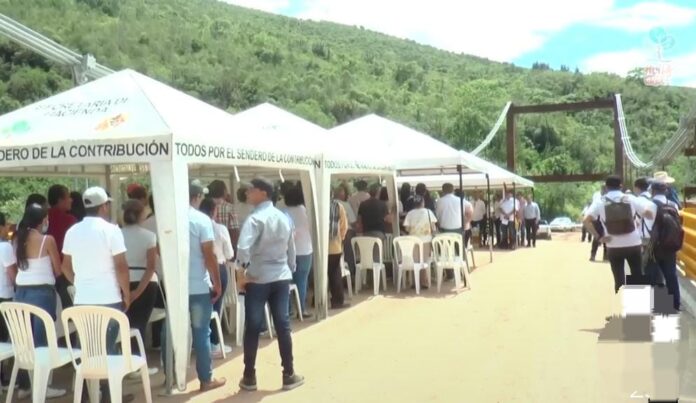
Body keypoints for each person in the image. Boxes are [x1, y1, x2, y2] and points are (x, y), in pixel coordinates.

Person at [61, 187, 133, 401]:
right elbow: (121, 266)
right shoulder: (111, 230)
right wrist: (127, 293)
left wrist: (80, 282)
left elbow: (65, 266)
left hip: (82, 300)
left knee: (85, 349)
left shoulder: (72, 231)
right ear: (103, 206)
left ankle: (84, 396)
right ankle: (110, 396)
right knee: (109, 350)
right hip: (108, 298)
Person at [237, 178, 304, 392]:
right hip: (281, 276)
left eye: (251, 190)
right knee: (283, 326)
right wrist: (290, 268)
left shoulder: (254, 218)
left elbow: (243, 248)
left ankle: (249, 376)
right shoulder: (284, 217)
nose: (247, 194)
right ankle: (289, 374)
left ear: (263, 193)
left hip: (258, 277)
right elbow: (291, 247)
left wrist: (241, 273)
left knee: (254, 327)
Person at [167, 181, 226, 392]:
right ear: (197, 196)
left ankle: (172, 378)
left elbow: (158, 250)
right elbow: (209, 255)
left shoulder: (168, 217)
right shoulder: (201, 220)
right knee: (201, 333)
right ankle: (205, 378)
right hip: (198, 286)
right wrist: (217, 282)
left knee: (171, 332)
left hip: (175, 287)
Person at [11, 204, 67, 399]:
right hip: (42, 293)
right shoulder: (47, 240)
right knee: (42, 342)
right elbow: (58, 270)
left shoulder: (17, 239)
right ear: (43, 220)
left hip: (21, 294)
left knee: (25, 342)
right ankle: (42, 388)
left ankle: (26, 385)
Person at [583, 176, 654, 297]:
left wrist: (599, 237)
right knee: (637, 274)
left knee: (619, 278)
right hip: (633, 244)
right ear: (621, 186)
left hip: (613, 245)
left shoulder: (600, 201)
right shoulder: (629, 198)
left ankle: (624, 307)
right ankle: (639, 310)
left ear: (606, 187)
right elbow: (649, 214)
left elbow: (586, 220)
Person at [120, 200, 160, 371]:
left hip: (122, 280)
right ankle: (137, 365)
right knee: (139, 325)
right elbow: (151, 267)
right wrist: (138, 291)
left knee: (125, 324)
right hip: (145, 283)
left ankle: (127, 362)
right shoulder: (149, 236)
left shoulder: (117, 234)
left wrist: (128, 291)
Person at [199, 197, 234, 358]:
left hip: (199, 270)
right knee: (215, 306)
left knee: (200, 307)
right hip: (218, 267)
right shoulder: (220, 229)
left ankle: (200, 341)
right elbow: (230, 254)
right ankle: (213, 342)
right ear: (214, 211)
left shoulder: (195, 227)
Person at [645, 180, 681, 312]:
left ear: (652, 191)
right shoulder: (673, 205)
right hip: (670, 244)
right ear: (666, 191)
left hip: (654, 245)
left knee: (651, 274)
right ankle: (675, 304)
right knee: (671, 274)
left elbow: (648, 222)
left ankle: (655, 304)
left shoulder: (649, 204)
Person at [281, 186, 313, 318]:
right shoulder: (306, 211)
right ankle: (302, 309)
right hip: (305, 249)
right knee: (302, 281)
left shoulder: (283, 212)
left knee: (287, 281)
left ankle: (288, 309)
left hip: (287, 251)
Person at [47, 184, 76, 312]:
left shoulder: (44, 217)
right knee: (69, 311)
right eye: (68, 197)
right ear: (60, 200)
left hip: (47, 272)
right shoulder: (70, 220)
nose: (71, 199)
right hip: (66, 271)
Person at [403, 195, 438, 287]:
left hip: (413, 240)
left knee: (415, 261)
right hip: (426, 240)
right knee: (424, 261)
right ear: (423, 203)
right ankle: (424, 282)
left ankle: (415, 282)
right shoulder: (429, 212)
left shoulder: (410, 213)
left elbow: (407, 228)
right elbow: (433, 226)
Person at [0, 212, 16, 389]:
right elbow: (13, 274)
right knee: (5, 341)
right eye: (5, 225)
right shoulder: (5, 247)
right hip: (4, 295)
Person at [357, 183, 391, 262]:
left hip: (366, 233)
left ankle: (367, 271)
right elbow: (389, 219)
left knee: (367, 254)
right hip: (379, 233)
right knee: (377, 256)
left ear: (369, 192)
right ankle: (377, 272)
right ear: (378, 193)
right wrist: (393, 211)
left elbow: (359, 220)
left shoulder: (363, 204)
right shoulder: (382, 204)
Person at [328, 189, 349, 309]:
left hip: (318, 247)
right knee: (335, 273)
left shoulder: (315, 205)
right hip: (334, 246)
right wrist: (341, 238)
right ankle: (337, 301)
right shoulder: (338, 206)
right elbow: (344, 226)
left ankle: (318, 300)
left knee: (319, 274)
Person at [208, 180, 241, 255]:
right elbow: (234, 231)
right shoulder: (229, 207)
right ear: (224, 192)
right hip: (224, 249)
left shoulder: (206, 206)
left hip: (208, 247)